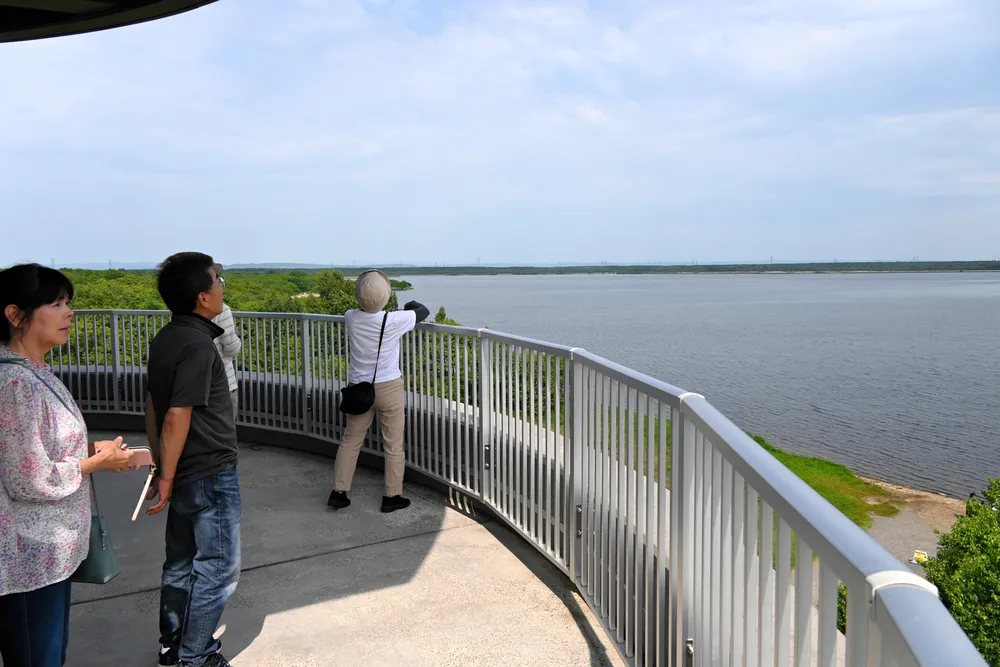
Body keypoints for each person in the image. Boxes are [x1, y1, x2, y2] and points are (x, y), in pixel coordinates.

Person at [0, 264, 133, 667]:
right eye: (56, 304)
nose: (69, 312)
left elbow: (38, 449)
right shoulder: (14, 384)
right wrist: (95, 462)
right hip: (28, 557)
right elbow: (29, 477)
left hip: (47, 554)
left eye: (68, 303)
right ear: (15, 314)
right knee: (38, 658)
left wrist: (93, 452)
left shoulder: (35, 373)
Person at [144, 253, 241, 667]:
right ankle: (196, 656)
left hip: (183, 469)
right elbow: (177, 414)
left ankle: (173, 646)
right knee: (217, 569)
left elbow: (152, 406)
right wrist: (164, 476)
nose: (222, 287)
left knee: (180, 563)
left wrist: (162, 467)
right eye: (217, 281)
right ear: (203, 297)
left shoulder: (165, 338)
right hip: (209, 473)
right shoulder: (200, 346)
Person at [329, 269, 429, 513]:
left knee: (351, 441)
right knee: (393, 444)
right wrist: (408, 304)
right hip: (389, 388)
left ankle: (339, 492)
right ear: (386, 296)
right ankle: (392, 496)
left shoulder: (350, 316)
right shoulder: (393, 320)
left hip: (359, 391)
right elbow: (422, 311)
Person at [210, 264, 241, 421]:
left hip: (193, 389)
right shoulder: (222, 310)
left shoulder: (181, 310)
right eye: (218, 281)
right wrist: (237, 336)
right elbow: (231, 349)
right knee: (225, 437)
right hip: (223, 385)